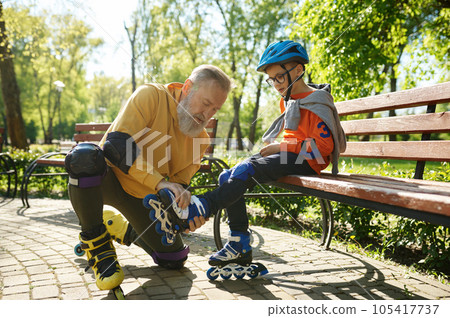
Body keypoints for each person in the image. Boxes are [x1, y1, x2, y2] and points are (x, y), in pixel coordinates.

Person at [148, 40, 347, 277]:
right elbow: (293, 139)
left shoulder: (317, 101)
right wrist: (280, 148)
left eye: (279, 78)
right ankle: (239, 241)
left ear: (298, 70)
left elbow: (323, 149)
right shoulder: (288, 100)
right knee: (227, 174)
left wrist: (281, 146)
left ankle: (204, 205)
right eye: (271, 80)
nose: (275, 85)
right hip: (291, 156)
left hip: (308, 162)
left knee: (245, 171)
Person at [64, 64, 233, 291]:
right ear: (188, 87)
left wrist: (185, 214)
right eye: (205, 104)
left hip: (145, 200)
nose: (207, 115)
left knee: (173, 259)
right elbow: (116, 145)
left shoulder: (200, 141)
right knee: (84, 157)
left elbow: (177, 190)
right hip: (109, 178)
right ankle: (97, 245)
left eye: (215, 110)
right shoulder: (151, 95)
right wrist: (160, 182)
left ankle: (121, 228)